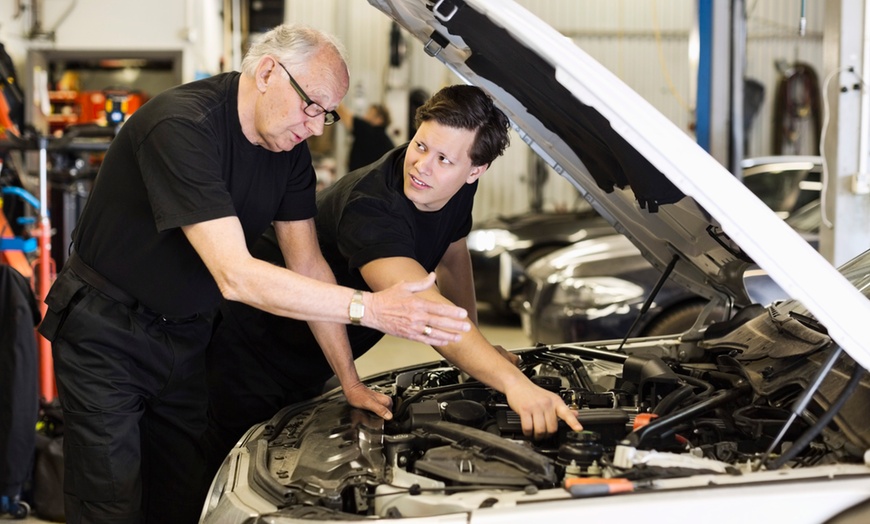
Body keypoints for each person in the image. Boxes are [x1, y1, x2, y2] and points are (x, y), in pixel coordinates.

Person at [36, 24, 471, 524]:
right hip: (108, 332)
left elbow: (307, 261)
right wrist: (369, 308)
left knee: (182, 492)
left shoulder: (288, 154)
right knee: (109, 498)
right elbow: (236, 275)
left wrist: (348, 378)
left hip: (188, 334)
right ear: (268, 72)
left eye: (326, 113)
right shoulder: (182, 126)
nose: (317, 127)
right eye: (313, 105)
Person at [202, 84, 584, 480]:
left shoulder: (452, 188)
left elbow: (453, 257)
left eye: (443, 159)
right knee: (231, 474)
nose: (422, 167)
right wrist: (515, 384)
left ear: (475, 171)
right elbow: (428, 314)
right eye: (420, 146)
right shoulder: (372, 207)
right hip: (249, 348)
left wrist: (479, 349)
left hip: (315, 354)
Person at [336, 101, 395, 171]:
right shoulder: (387, 142)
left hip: (359, 179)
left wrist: (333, 95)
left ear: (380, 119)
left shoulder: (369, 131)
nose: (365, 117)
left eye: (370, 114)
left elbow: (343, 114)